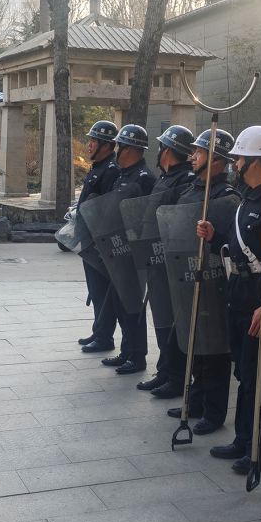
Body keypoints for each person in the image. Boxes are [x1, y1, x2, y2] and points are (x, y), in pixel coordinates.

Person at [196, 126, 261, 475]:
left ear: (254, 160)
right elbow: (240, 246)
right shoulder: (250, 196)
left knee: (257, 379)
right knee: (244, 374)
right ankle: (243, 439)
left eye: (239, 158)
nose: (235, 164)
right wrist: (214, 238)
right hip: (239, 295)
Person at [155, 129, 239, 437]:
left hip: (213, 283)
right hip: (187, 279)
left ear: (217, 160)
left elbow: (228, 244)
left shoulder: (227, 198)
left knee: (214, 351)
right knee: (195, 347)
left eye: (200, 152)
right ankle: (196, 401)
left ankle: (213, 412)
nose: (193, 157)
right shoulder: (192, 188)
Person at [136, 125, 197, 392]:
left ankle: (177, 377)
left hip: (170, 262)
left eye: (161, 147)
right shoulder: (166, 177)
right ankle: (165, 370)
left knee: (173, 321)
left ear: (168, 150)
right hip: (155, 260)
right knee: (161, 318)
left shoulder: (185, 180)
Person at [98, 124, 155, 374]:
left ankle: (137, 355)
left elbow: (145, 218)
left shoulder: (144, 178)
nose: (117, 151)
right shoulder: (124, 175)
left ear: (130, 149)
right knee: (120, 304)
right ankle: (126, 351)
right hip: (117, 251)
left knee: (132, 307)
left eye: (120, 146)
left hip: (132, 254)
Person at [76, 120, 121, 353]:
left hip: (100, 242)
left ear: (107, 145)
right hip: (89, 240)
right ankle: (99, 330)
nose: (89, 144)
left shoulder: (111, 169)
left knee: (102, 291)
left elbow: (107, 208)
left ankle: (105, 337)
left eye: (94, 140)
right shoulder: (98, 166)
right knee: (95, 290)